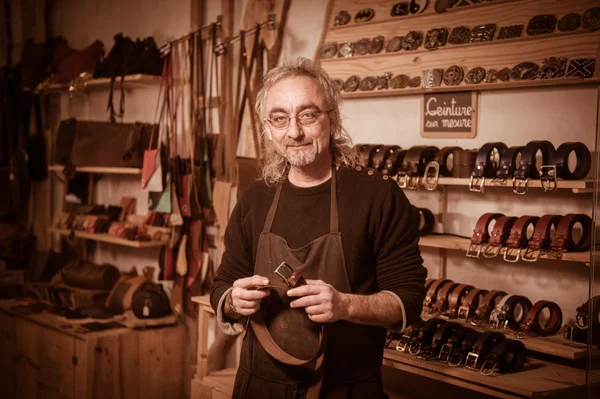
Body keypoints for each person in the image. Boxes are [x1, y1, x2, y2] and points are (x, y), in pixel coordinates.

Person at [210, 57, 427, 398]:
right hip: (259, 387)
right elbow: (222, 283)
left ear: (333, 118)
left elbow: (409, 301)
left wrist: (345, 305)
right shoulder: (255, 199)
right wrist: (233, 301)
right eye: (280, 118)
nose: (294, 132)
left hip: (347, 389)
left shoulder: (379, 196)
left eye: (308, 115)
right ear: (268, 127)